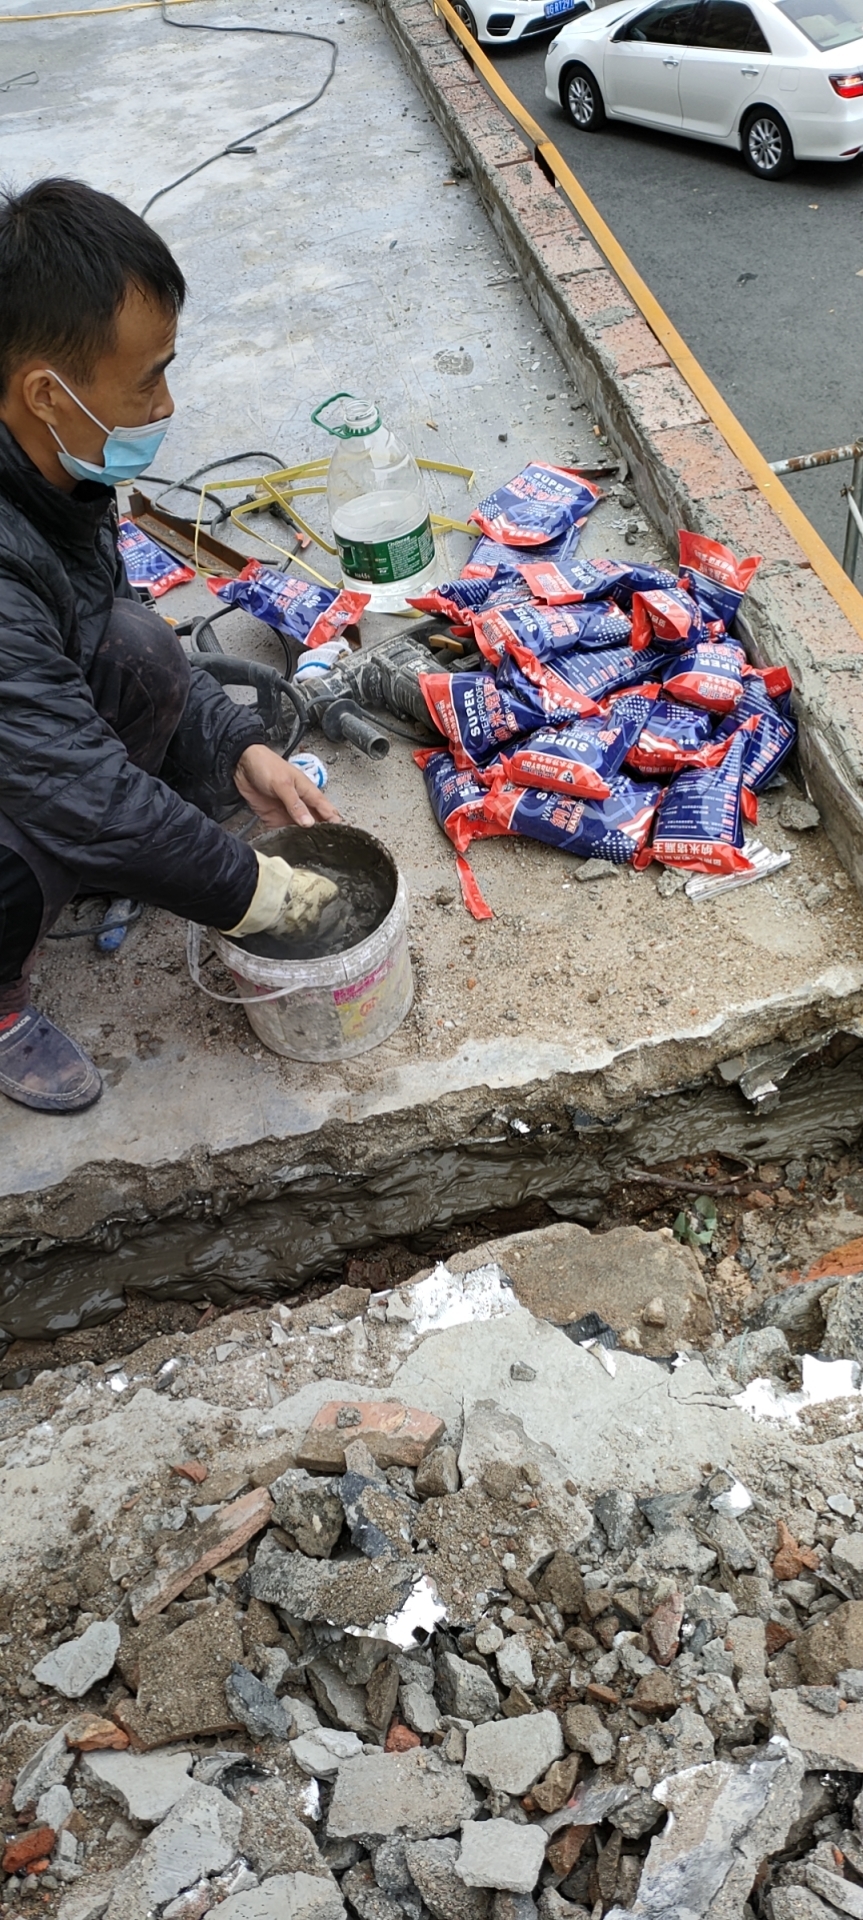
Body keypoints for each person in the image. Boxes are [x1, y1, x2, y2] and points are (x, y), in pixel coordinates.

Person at [0, 176, 342, 1116]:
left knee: (140, 644)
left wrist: (237, 747)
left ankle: (104, 861)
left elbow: (98, 614)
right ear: (47, 392)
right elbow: (74, 785)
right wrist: (253, 893)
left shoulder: (49, 466)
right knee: (26, 848)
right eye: (147, 378)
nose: (164, 404)